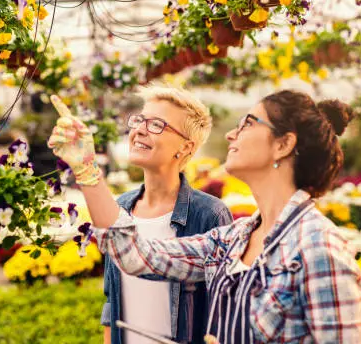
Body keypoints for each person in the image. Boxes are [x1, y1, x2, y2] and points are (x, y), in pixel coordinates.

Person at [48, 89, 361, 344]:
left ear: (283, 144)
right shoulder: (233, 239)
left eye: (247, 123)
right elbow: (136, 255)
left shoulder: (318, 249)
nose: (231, 134)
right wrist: (85, 167)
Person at [51, 85, 232, 344]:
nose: (140, 130)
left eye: (157, 124)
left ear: (185, 147)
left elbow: (222, 313)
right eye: (139, 120)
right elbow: (111, 299)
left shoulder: (210, 214)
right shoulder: (120, 206)